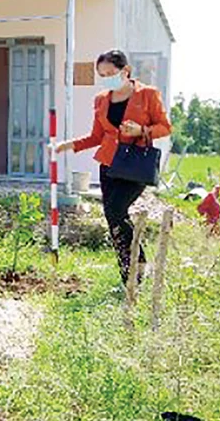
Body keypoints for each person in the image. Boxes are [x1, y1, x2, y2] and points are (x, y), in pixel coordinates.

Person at [55, 49, 171, 285]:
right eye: (102, 74)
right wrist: (67, 145)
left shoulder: (148, 94)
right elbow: (96, 136)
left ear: (125, 71)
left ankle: (137, 265)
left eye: (111, 72)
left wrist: (141, 131)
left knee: (117, 210)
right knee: (113, 216)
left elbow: (165, 127)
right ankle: (128, 273)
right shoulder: (101, 100)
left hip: (136, 164)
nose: (107, 77)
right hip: (109, 165)